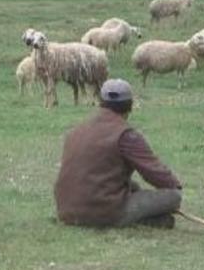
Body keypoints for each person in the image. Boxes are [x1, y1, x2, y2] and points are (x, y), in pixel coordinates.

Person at [54, 78, 182, 228]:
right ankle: (127, 219)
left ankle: (152, 221)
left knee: (133, 187)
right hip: (103, 211)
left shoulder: (77, 130)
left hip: (66, 211)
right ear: (130, 106)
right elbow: (154, 171)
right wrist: (174, 186)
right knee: (173, 197)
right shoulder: (126, 135)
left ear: (101, 102)